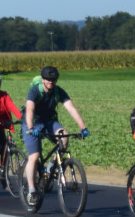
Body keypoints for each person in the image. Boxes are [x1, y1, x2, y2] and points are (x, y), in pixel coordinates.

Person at [22, 66, 89, 204]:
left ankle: (50, 166)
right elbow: (29, 109)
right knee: (34, 157)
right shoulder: (35, 91)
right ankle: (32, 191)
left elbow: (71, 108)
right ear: (42, 79)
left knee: (64, 137)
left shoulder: (59, 92)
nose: (50, 82)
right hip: (32, 124)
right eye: (47, 79)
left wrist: (83, 127)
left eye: (53, 79)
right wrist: (31, 127)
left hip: (50, 123)